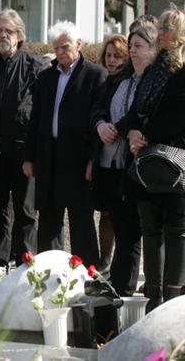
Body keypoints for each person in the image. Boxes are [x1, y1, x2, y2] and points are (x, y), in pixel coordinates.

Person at [23, 21, 106, 266]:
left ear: (78, 45)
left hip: (79, 159)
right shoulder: (46, 77)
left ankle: (88, 274)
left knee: (81, 220)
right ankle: (50, 272)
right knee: (49, 220)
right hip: (49, 156)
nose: (59, 52)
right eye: (56, 48)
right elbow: (35, 119)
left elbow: (98, 117)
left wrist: (93, 158)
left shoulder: (94, 75)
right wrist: (29, 156)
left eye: (65, 47)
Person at [120, 8, 185, 310]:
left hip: (175, 164)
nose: (163, 33)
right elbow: (134, 110)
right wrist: (133, 131)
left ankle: (171, 301)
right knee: (150, 230)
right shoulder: (151, 70)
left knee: (175, 232)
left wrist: (144, 131)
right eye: (161, 27)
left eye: (170, 27)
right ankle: (153, 298)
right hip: (146, 164)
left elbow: (177, 118)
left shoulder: (182, 71)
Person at [91, 25, 155, 295]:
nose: (132, 51)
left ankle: (129, 288)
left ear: (153, 49)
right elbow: (98, 106)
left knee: (134, 231)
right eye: (131, 46)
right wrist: (101, 124)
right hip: (113, 165)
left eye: (138, 46)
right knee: (120, 225)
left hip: (141, 165)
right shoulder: (121, 78)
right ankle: (117, 287)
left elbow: (144, 116)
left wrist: (124, 129)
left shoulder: (154, 80)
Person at [0, 10, 47, 268]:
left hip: (23, 152)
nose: (3, 35)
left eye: (9, 31)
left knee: (26, 211)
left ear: (19, 36)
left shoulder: (35, 66)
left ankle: (26, 263)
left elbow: (39, 111)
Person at [94, 34, 129, 274]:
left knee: (121, 215)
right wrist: (99, 124)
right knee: (105, 213)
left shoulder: (130, 81)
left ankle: (118, 266)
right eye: (108, 55)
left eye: (117, 55)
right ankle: (103, 263)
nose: (112, 60)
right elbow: (94, 110)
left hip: (123, 157)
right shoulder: (103, 81)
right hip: (103, 156)